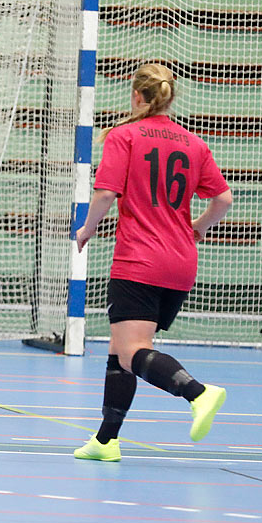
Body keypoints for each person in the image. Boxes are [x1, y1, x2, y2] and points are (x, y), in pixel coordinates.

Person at [71, 63, 234, 460]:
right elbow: (223, 199)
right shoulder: (194, 144)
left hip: (140, 259)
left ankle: (198, 393)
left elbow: (106, 193)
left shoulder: (124, 136)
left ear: (137, 96)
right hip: (180, 262)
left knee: (131, 350)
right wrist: (195, 228)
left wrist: (87, 228)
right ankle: (105, 441)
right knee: (120, 348)